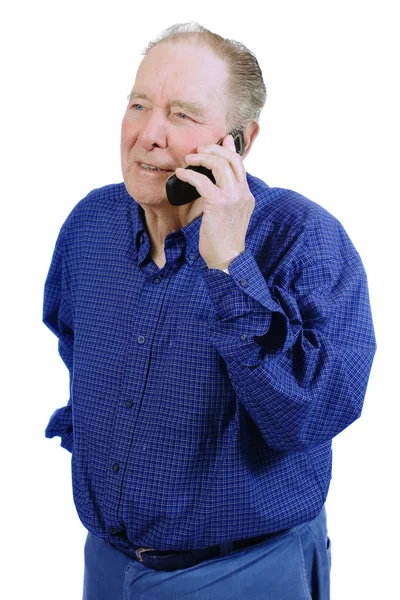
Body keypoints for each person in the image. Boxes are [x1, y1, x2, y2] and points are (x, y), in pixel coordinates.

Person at [43, 22, 376, 600]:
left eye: (183, 115)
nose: (148, 134)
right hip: (108, 566)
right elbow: (75, 347)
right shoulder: (90, 226)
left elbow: (308, 417)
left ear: (239, 142)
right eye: (139, 104)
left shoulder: (303, 239)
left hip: (243, 573)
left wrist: (229, 267)